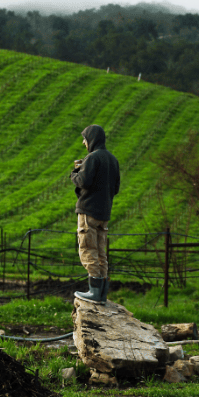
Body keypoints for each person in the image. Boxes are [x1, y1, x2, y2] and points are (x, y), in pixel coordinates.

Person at [69, 124, 120, 304]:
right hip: (104, 213)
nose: (84, 143)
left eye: (85, 139)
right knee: (100, 252)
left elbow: (83, 181)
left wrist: (75, 173)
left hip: (88, 211)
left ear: (92, 139)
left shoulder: (92, 158)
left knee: (87, 249)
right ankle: (102, 293)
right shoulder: (113, 160)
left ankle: (94, 292)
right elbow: (116, 188)